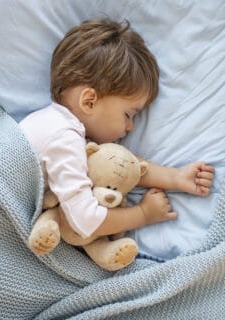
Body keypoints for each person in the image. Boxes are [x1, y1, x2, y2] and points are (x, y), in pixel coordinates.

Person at [20, 18, 214, 254]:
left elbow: (116, 167)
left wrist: (176, 178)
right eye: (128, 114)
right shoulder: (63, 137)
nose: (130, 127)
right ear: (89, 101)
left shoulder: (61, 128)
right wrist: (142, 215)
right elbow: (84, 220)